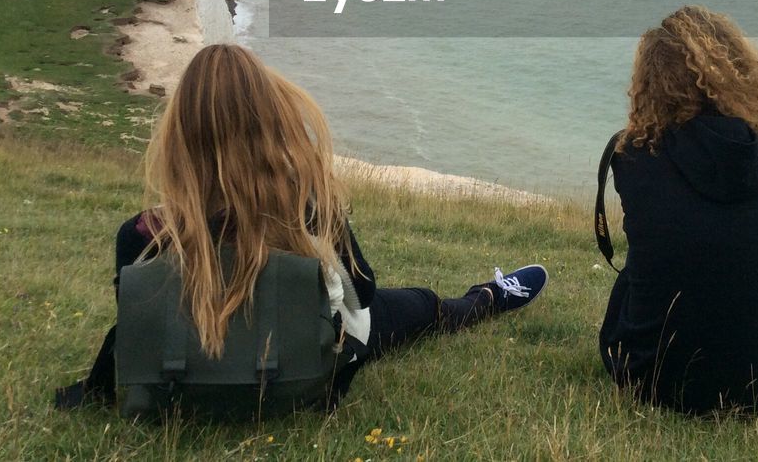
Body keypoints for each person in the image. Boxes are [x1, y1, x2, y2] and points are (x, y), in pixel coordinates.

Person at [56, 43, 546, 409]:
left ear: (181, 131)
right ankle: (490, 297)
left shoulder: (141, 235)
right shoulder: (305, 203)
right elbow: (363, 292)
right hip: (301, 367)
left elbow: (138, 321)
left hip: (185, 374)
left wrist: (96, 389)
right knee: (422, 305)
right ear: (265, 117)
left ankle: (488, 296)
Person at [598, 6, 758, 413]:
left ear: (651, 82)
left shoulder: (632, 159)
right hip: (756, 380)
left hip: (650, 375)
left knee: (638, 274)